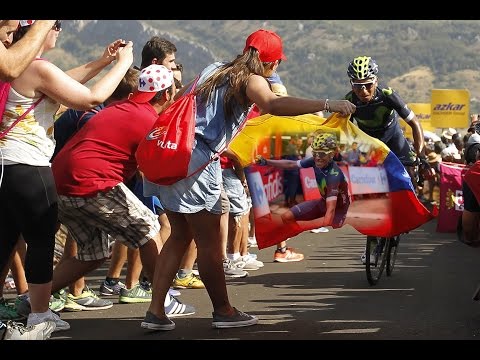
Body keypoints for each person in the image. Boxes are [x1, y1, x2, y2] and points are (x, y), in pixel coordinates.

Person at [142, 28, 355, 331]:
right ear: (274, 63)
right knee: (211, 245)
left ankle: (156, 312)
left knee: (178, 236)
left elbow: (189, 108)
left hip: (173, 155)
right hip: (197, 166)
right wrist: (327, 103)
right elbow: (273, 104)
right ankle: (223, 311)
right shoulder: (252, 80)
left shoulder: (215, 69)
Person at [0, 19, 133, 336]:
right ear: (37, 30)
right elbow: (90, 98)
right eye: (55, 24)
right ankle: (39, 316)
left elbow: (63, 82)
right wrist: (124, 64)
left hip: (7, 166)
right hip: (28, 166)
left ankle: (38, 312)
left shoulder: (26, 68)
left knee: (4, 243)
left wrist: (101, 61)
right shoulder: (37, 67)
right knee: (41, 241)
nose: (59, 29)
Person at [42, 65, 196, 323]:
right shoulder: (150, 120)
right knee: (149, 228)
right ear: (167, 95)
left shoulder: (121, 108)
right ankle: (162, 303)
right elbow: (157, 169)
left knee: (94, 253)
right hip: (91, 181)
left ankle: (32, 300)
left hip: (61, 181)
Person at [344, 56, 432, 263]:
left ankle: (405, 215)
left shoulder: (388, 95)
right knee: (369, 198)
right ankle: (373, 247)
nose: (363, 91)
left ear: (375, 81)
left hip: (394, 141)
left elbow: (415, 124)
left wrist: (420, 155)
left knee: (409, 174)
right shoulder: (349, 100)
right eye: (357, 86)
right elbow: (343, 131)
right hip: (370, 146)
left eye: (367, 85)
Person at [256, 132, 350, 236]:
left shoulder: (334, 175)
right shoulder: (315, 160)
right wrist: (267, 162)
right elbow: (291, 164)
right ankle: (286, 248)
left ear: (331, 154)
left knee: (326, 230)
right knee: (286, 217)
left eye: (322, 154)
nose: (318, 158)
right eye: (315, 153)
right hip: (324, 202)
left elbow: (331, 209)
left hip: (338, 209)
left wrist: (319, 225)